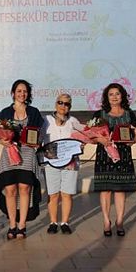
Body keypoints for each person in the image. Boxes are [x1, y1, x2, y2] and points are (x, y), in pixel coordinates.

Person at [0, 79, 43, 240]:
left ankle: (22, 225)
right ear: (13, 93)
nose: (22, 94)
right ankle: (12, 224)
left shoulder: (34, 112)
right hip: (10, 152)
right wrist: (4, 141)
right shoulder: (5, 112)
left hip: (28, 153)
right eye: (19, 91)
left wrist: (36, 142)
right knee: (10, 190)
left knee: (24, 188)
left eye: (25, 91)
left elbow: (39, 133)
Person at [91, 83, 136, 237]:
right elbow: (91, 137)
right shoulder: (99, 114)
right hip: (104, 155)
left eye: (117, 94)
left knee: (120, 190)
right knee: (105, 190)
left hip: (123, 155)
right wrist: (100, 139)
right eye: (111, 94)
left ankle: (119, 221)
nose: (114, 97)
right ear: (107, 97)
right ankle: (106, 221)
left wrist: (133, 140)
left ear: (122, 96)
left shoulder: (130, 114)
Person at [41, 93, 82, 234]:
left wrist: (81, 146)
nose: (63, 106)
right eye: (60, 102)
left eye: (67, 104)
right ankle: (53, 222)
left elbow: (83, 138)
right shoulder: (45, 120)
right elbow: (37, 137)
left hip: (70, 162)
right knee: (53, 194)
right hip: (51, 161)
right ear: (55, 104)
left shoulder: (74, 121)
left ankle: (64, 222)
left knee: (67, 194)